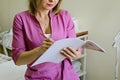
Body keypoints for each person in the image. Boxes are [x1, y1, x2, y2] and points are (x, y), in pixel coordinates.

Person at [12, 0, 82, 80]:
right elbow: (18, 60)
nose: (52, 0)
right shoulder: (21, 19)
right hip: (37, 76)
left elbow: (76, 46)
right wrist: (39, 50)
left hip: (67, 74)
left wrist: (77, 54)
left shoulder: (64, 15)